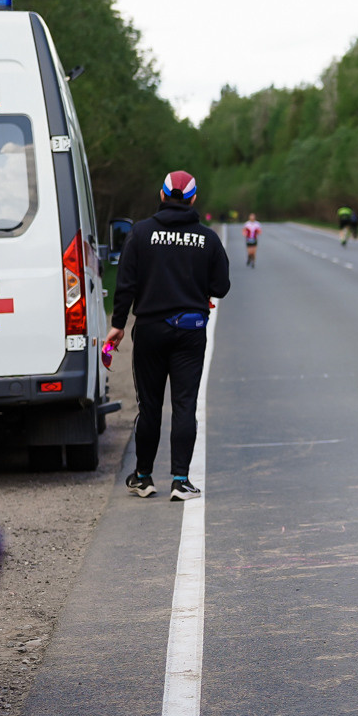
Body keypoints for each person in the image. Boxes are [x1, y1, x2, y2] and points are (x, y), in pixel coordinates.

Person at [106, 172, 232, 501]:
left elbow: (126, 284)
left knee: (150, 407)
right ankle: (180, 480)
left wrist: (118, 324)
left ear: (161, 195)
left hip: (149, 331)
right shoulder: (207, 239)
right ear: (192, 199)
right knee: (184, 405)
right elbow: (222, 287)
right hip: (190, 333)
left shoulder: (140, 233)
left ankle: (144, 477)